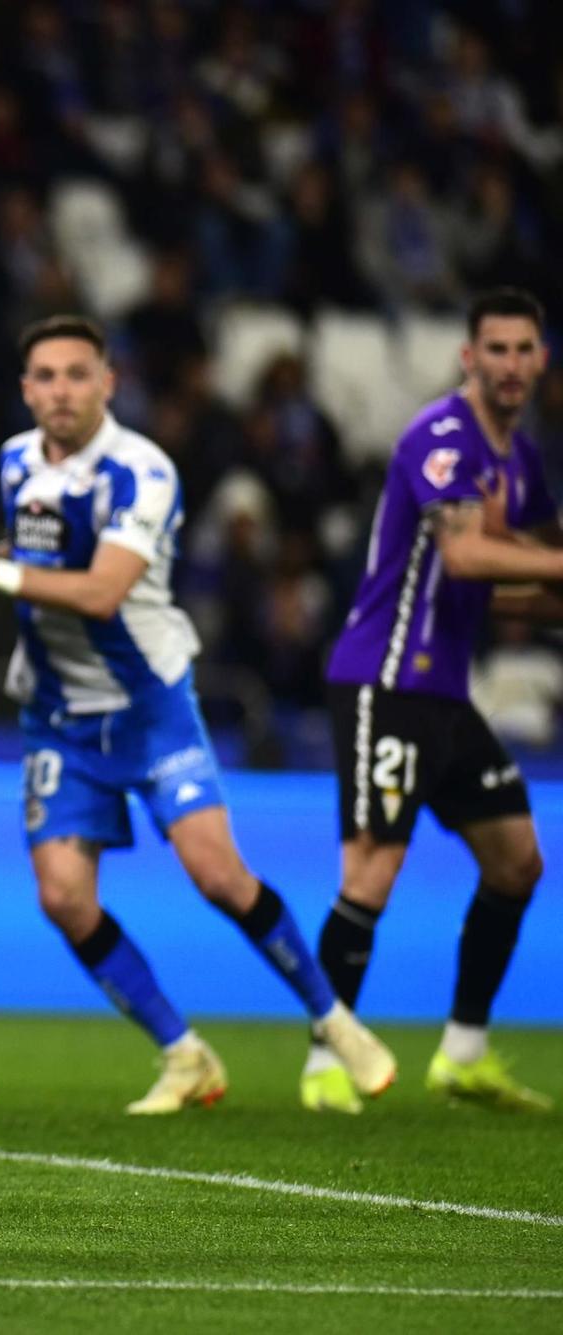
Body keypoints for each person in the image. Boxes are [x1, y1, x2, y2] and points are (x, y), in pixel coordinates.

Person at [0, 315, 396, 1115]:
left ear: (108, 382)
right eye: (46, 376)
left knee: (218, 875)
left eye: (77, 374)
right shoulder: (16, 459)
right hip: (59, 717)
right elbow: (39, 556)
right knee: (64, 897)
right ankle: (182, 1050)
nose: (61, 391)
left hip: (148, 709)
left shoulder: (142, 470)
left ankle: (332, 1017)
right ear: (26, 389)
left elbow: (102, 590)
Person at [318, 287, 556, 1113]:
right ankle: (326, 1059)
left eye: (524, 349)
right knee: (373, 869)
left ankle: (462, 1054)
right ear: (468, 356)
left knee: (517, 860)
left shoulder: (521, 463)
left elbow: (526, 574)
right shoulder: (442, 437)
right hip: (385, 680)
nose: (510, 364)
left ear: (542, 359)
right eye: (496, 348)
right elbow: (466, 557)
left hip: (447, 695)